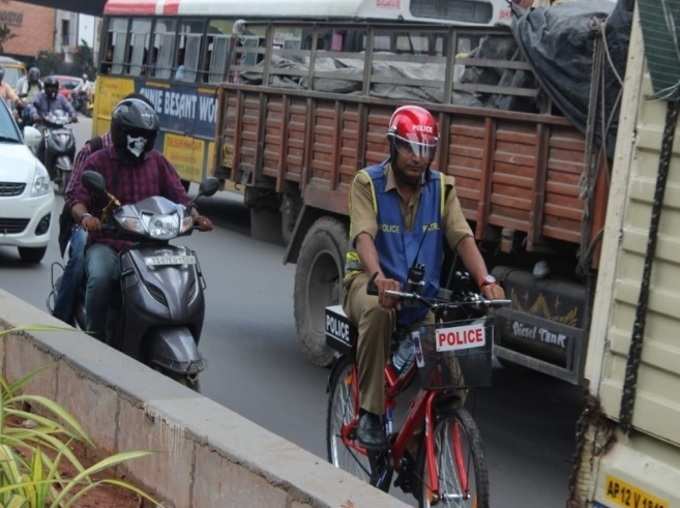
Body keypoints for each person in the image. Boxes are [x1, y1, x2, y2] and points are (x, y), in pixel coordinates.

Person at [343, 105, 505, 449]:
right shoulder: (366, 183)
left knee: (450, 386)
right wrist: (378, 278)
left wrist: (486, 281)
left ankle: (415, 447)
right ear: (392, 146)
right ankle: (371, 413)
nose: (418, 159)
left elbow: (462, 237)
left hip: (419, 297)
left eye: (426, 150)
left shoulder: (442, 188)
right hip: (369, 285)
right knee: (377, 312)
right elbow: (364, 236)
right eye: (409, 149)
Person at [67, 97, 213, 340]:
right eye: (135, 134)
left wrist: (196, 217)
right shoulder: (98, 161)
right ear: (120, 133)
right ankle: (93, 339)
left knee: (186, 276)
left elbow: (180, 197)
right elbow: (77, 199)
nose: (140, 140)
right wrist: (86, 217)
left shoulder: (158, 162)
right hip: (108, 244)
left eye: (146, 135)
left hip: (151, 246)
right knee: (101, 278)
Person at [52, 93, 151, 325]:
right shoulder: (94, 151)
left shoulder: (148, 158)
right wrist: (87, 217)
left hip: (131, 229)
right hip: (90, 225)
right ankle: (61, 319)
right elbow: (72, 194)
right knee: (79, 262)